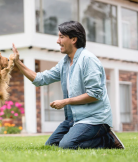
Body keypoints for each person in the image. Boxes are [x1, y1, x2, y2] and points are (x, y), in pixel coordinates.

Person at [12, 21, 125, 149]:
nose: (57, 41)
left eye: (61, 37)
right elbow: (40, 79)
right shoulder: (65, 63)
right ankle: (98, 137)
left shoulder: (88, 60)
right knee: (52, 145)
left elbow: (95, 94)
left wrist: (65, 101)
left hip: (95, 119)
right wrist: (18, 63)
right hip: (73, 119)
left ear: (73, 39)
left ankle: (107, 139)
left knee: (67, 145)